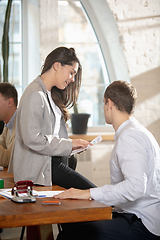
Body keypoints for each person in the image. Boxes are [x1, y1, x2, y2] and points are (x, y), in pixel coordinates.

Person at [54, 80, 160, 240]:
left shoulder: (130, 137)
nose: (103, 108)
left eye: (103, 104)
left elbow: (136, 187)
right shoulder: (136, 132)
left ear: (109, 103)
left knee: (67, 236)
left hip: (141, 222)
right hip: (134, 215)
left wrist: (87, 193)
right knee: (74, 224)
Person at [8, 46, 96, 189]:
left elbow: (50, 135)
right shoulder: (35, 95)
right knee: (94, 193)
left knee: (90, 195)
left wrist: (72, 147)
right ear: (56, 66)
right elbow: (32, 138)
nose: (73, 79)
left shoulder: (49, 94)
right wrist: (69, 144)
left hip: (52, 163)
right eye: (71, 73)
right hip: (42, 168)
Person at [0, 83, 18, 167]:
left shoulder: (21, 123)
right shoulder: (8, 123)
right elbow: (2, 144)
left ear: (10, 102)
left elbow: (8, 160)